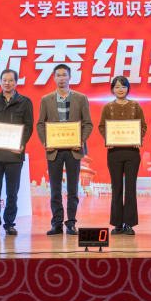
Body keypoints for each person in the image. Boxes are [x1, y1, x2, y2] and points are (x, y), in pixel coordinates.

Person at [35, 64, 93, 235]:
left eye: (64, 75)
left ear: (70, 77)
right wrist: (46, 142)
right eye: (58, 75)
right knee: (55, 189)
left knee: (73, 189)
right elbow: (40, 124)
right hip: (54, 150)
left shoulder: (81, 98)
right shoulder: (46, 99)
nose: (61, 78)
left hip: (74, 149)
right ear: (54, 78)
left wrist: (80, 141)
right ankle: (57, 223)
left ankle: (71, 222)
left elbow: (88, 123)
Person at [0, 68, 34, 236]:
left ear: (16, 82)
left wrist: (21, 143)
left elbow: (29, 126)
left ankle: (9, 223)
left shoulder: (25, 102)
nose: (7, 83)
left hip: (14, 155)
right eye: (4, 80)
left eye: (11, 80)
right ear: (0, 82)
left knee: (12, 193)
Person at [98, 75, 147, 235]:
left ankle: (129, 224)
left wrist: (139, 138)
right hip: (114, 153)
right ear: (112, 89)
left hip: (132, 153)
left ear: (128, 89)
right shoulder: (107, 107)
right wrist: (107, 139)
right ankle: (118, 224)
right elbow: (101, 126)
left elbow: (143, 125)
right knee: (117, 187)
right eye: (117, 87)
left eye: (123, 86)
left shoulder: (135, 106)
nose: (120, 90)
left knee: (130, 188)